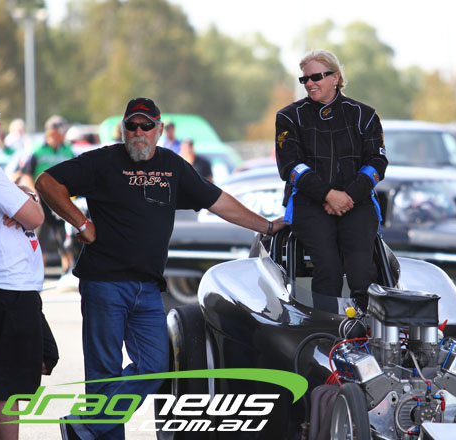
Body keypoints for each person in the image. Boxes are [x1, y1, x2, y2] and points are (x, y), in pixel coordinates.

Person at [35, 97, 284, 440]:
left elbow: (217, 201)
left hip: (149, 287)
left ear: (159, 129)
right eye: (132, 125)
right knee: (104, 375)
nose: (138, 132)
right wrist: (81, 223)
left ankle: (85, 426)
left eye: (146, 125)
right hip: (104, 283)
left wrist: (267, 226)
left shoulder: (172, 166)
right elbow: (47, 182)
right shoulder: (103, 160)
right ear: (123, 129)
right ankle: (92, 429)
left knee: (155, 366)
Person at [275, 49, 388, 311]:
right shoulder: (289, 116)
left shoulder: (364, 114)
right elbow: (290, 166)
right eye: (305, 79)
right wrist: (328, 195)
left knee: (362, 270)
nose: (309, 83)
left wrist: (347, 196)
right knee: (328, 268)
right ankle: (326, 329)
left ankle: (365, 328)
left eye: (316, 77)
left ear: (335, 77)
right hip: (309, 203)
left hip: (356, 201)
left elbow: (377, 162)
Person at [0, 92, 46, 440]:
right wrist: (27, 199)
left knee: (38, 359)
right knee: (7, 382)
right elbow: (35, 217)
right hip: (7, 286)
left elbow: (26, 208)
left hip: (7, 285)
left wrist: (22, 195)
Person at [19, 115, 74, 274]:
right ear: (52, 132)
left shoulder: (68, 150)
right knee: (40, 236)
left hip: (61, 198)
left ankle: (68, 270)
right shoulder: (37, 150)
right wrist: (33, 193)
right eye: (61, 130)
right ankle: (37, 271)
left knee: (65, 236)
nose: (64, 133)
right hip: (42, 200)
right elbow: (26, 174)